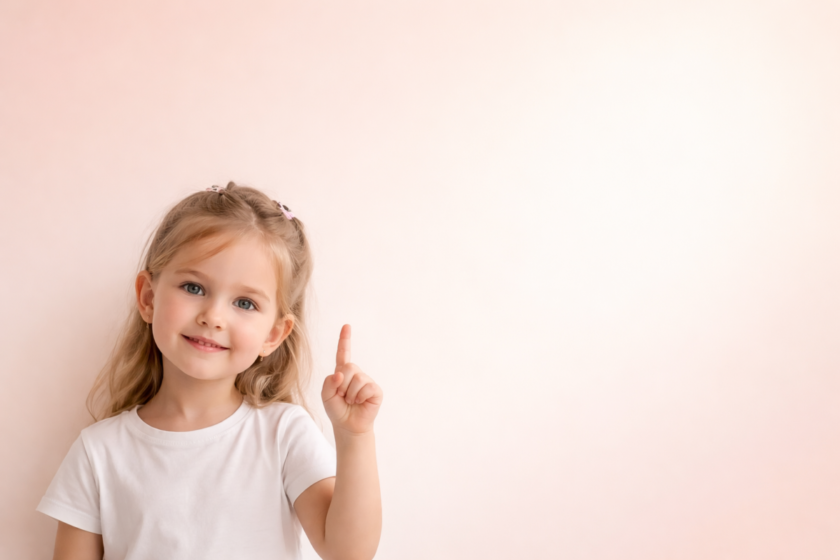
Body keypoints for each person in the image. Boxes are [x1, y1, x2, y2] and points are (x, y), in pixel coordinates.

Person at [36, 182, 383, 560]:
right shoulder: (98, 452)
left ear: (273, 334)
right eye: (193, 287)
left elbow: (349, 552)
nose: (213, 317)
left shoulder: (284, 434)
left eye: (245, 303)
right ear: (148, 298)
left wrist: (353, 436)